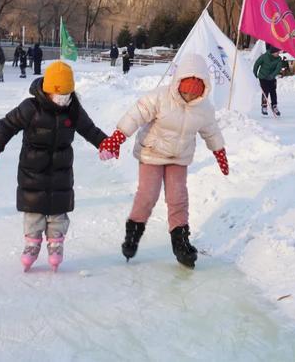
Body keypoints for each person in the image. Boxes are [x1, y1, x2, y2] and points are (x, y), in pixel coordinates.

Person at [98, 53, 228, 269]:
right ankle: (133, 234)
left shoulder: (204, 108)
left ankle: (180, 242)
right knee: (148, 195)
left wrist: (219, 152)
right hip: (152, 153)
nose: (187, 97)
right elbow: (135, 115)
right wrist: (118, 138)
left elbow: (211, 131)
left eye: (193, 94)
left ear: (203, 90)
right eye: (184, 91)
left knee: (178, 197)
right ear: (178, 83)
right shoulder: (159, 97)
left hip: (179, 157)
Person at [0, 61, 108, 272]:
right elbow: (7, 125)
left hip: (61, 171)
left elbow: (89, 129)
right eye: (59, 96)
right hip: (32, 171)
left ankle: (56, 245)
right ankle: (32, 245)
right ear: (47, 91)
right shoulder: (30, 108)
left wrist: (105, 144)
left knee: (58, 211)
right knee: (33, 210)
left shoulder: (73, 109)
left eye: (67, 95)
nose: (62, 100)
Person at [253, 45, 283, 116]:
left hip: (271, 78)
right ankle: (264, 106)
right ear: (273, 52)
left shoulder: (279, 59)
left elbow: (278, 69)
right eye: (277, 52)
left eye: (279, 52)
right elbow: (257, 64)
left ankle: (274, 106)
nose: (278, 53)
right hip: (263, 77)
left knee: (273, 91)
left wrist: (272, 76)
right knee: (265, 91)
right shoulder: (264, 56)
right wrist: (255, 74)